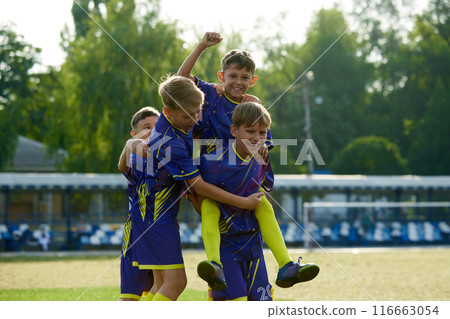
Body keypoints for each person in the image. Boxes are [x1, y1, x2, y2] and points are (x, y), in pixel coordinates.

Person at [178, 32, 319, 290]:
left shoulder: (253, 107)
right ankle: (214, 266)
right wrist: (201, 46)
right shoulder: (210, 94)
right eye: (232, 76)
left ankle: (286, 264)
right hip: (214, 177)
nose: (238, 82)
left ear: (252, 80)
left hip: (241, 180)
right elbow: (180, 81)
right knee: (210, 208)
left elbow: (264, 143)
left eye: (244, 77)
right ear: (222, 77)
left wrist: (263, 149)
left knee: (262, 205)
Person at [131, 75, 263, 301]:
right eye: (188, 115)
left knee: (161, 284)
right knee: (176, 283)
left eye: (197, 111)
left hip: (151, 217)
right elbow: (197, 185)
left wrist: (236, 99)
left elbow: (177, 84)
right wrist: (244, 202)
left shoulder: (173, 122)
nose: (194, 119)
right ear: (168, 112)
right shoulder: (169, 142)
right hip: (155, 218)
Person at [118, 106, 160, 301]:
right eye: (146, 127)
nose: (153, 131)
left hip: (162, 233)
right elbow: (123, 166)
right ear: (135, 134)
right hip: (136, 233)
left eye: (157, 126)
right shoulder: (137, 158)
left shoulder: (169, 156)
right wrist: (129, 145)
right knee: (130, 297)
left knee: (164, 287)